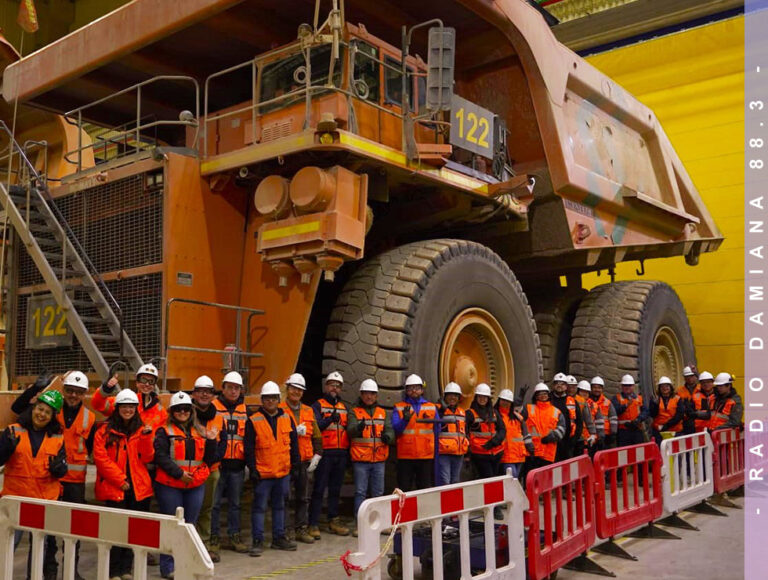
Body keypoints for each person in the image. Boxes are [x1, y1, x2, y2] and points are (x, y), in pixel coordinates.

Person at [10, 371, 95, 580]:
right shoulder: (51, 408)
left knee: (73, 530)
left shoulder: (89, 418)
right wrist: (36, 389)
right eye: (70, 390)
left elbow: (92, 448)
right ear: (63, 390)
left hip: (74, 483)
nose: (73, 395)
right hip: (48, 480)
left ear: (84, 393)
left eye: (78, 392)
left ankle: (71, 572)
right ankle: (46, 573)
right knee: (46, 531)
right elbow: (18, 409)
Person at [154, 392, 221, 579]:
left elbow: (208, 459)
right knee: (172, 525)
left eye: (185, 409)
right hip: (170, 485)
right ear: (172, 412)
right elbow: (160, 457)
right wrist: (179, 474)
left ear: (191, 411)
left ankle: (185, 562)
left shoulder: (200, 431)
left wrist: (212, 441)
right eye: (178, 409)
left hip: (194, 486)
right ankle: (168, 566)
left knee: (189, 526)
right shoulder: (164, 431)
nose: (182, 412)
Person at [0, 390, 67, 580]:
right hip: (15, 500)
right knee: (8, 545)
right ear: (33, 408)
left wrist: (58, 469)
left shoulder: (57, 438)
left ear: (53, 417)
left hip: (42, 502)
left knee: (39, 549)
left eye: (47, 412)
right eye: (40, 409)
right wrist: (5, 449)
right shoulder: (13, 431)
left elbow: (63, 468)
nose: (42, 414)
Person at [93, 389, 155, 580]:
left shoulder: (141, 429)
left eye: (131, 407)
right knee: (116, 532)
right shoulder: (104, 431)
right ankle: (113, 571)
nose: (128, 410)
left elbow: (148, 457)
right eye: (124, 406)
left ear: (135, 409)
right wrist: (120, 481)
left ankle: (126, 569)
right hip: (116, 488)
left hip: (139, 489)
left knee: (134, 532)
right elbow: (101, 459)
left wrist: (146, 439)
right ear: (117, 408)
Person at [245, 381, 300, 556]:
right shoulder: (253, 420)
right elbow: (249, 448)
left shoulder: (287, 418)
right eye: (267, 398)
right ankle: (258, 540)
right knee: (259, 508)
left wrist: (296, 464)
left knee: (280, 506)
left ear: (278, 399)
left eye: (273, 398)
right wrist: (252, 469)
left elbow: (294, 445)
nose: (270, 401)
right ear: (262, 400)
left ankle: (278, 538)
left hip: (283, 472)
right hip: (263, 473)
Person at [280, 373, 322, 544]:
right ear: (288, 389)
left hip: (304, 461)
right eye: (294, 388)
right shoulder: (280, 409)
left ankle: (301, 529)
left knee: (303, 497)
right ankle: (287, 530)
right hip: (286, 460)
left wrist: (318, 454)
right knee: (285, 497)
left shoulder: (308, 410)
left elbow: (317, 435)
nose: (296, 392)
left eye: (299, 389)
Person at [211, 371, 250, 554]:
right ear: (223, 388)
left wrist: (249, 463)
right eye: (230, 387)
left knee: (235, 504)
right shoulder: (213, 407)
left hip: (237, 466)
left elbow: (249, 439)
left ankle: (235, 536)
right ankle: (214, 538)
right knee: (215, 504)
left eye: (237, 388)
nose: (233, 391)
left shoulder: (245, 410)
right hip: (219, 465)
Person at [347, 379, 393, 534]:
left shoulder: (382, 412)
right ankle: (361, 526)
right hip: (361, 459)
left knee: (378, 493)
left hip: (379, 459)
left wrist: (388, 437)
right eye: (367, 393)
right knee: (360, 492)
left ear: (376, 396)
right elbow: (350, 431)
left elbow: (389, 429)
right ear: (361, 394)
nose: (369, 396)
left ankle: (378, 524)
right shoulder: (354, 411)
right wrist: (357, 428)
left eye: (372, 394)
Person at [309, 371, 352, 538]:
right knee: (319, 489)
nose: (334, 388)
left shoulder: (344, 408)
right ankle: (313, 523)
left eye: (338, 385)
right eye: (332, 385)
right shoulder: (318, 405)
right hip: (325, 454)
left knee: (335, 489)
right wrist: (328, 420)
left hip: (340, 454)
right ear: (326, 386)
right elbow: (315, 426)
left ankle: (333, 520)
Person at [191, 375, 225, 562]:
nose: (204, 394)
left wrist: (212, 461)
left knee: (207, 508)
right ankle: (188, 545)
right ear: (194, 394)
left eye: (208, 392)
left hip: (211, 471)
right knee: (189, 509)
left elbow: (224, 443)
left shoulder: (219, 418)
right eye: (201, 391)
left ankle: (204, 545)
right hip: (190, 472)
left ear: (213, 395)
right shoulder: (185, 413)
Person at [392, 373, 438, 492]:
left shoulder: (431, 407)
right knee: (404, 490)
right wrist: (405, 420)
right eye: (410, 388)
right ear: (406, 390)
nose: (414, 391)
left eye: (417, 388)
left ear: (422, 390)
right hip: (406, 456)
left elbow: (437, 431)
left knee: (424, 490)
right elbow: (396, 429)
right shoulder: (399, 407)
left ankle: (424, 511)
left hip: (425, 456)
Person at [93, 364, 168, 433]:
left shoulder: (160, 411)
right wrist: (106, 389)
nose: (147, 384)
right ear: (137, 382)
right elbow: (98, 405)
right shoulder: (124, 400)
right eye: (143, 380)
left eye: (151, 381)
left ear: (154, 385)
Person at [521, 384, 565, 475]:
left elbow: (562, 429)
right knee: (530, 479)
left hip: (548, 451)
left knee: (545, 480)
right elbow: (517, 420)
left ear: (548, 395)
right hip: (532, 451)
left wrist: (552, 436)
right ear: (536, 396)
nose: (543, 396)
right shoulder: (528, 408)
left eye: (545, 393)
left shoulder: (556, 411)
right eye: (540, 394)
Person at [466, 383, 506, 478]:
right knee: (489, 478)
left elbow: (502, 429)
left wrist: (495, 441)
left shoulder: (494, 413)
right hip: (480, 453)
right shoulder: (470, 414)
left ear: (488, 399)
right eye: (480, 397)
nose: (482, 399)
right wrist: (467, 452)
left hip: (496, 453)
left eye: (485, 397)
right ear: (476, 397)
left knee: (494, 478)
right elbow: (465, 432)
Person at [436, 382, 468, 486]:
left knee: (455, 481)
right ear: (445, 396)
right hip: (444, 452)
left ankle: (454, 501)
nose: (453, 398)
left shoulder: (462, 412)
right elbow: (434, 423)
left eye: (455, 395)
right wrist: (441, 410)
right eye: (450, 395)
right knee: (445, 481)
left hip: (459, 453)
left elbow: (464, 432)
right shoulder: (438, 409)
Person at [496, 389, 533, 479]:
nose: (505, 403)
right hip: (506, 456)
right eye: (503, 400)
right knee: (513, 480)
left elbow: (525, 433)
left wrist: (530, 446)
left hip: (519, 455)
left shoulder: (517, 417)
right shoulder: (495, 415)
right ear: (499, 400)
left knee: (515, 480)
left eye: (508, 401)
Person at [611, 375, 648, 448]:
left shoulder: (639, 398)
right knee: (623, 454)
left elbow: (646, 411)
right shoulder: (616, 398)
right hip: (623, 432)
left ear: (633, 386)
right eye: (625, 385)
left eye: (629, 385)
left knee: (639, 454)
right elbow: (614, 411)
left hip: (637, 430)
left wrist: (638, 420)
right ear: (622, 386)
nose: (627, 387)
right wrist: (625, 405)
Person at [550, 372, 578, 460]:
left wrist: (574, 439)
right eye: (557, 383)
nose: (559, 386)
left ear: (566, 387)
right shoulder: (548, 399)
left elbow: (579, 422)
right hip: (551, 440)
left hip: (567, 441)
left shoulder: (572, 401)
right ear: (553, 385)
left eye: (562, 384)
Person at [649, 376, 684, 445]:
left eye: (667, 386)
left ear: (671, 387)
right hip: (659, 432)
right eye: (662, 386)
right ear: (659, 388)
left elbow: (679, 415)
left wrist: (667, 425)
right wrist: (655, 405)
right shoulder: (655, 399)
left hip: (675, 431)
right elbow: (652, 414)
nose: (665, 388)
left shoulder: (677, 399)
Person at [568, 377, 597, 456]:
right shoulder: (561, 399)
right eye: (569, 387)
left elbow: (589, 419)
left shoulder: (582, 401)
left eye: (574, 387)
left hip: (580, 436)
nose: (571, 389)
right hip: (567, 436)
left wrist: (593, 434)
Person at [577, 381, 603, 457]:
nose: (584, 394)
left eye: (586, 392)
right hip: (580, 438)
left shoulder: (594, 405)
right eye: (582, 391)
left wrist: (599, 436)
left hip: (591, 439)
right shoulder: (574, 402)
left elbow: (599, 422)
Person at [589, 377, 617, 449]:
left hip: (606, 435)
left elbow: (613, 418)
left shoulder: (607, 402)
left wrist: (613, 432)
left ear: (602, 389)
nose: (597, 390)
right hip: (591, 434)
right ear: (591, 388)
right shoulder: (587, 402)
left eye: (599, 388)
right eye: (594, 387)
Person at [676, 366, 700, 435]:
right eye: (687, 377)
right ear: (684, 378)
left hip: (699, 419)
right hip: (686, 421)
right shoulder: (679, 391)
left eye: (691, 376)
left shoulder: (701, 388)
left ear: (695, 376)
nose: (689, 378)